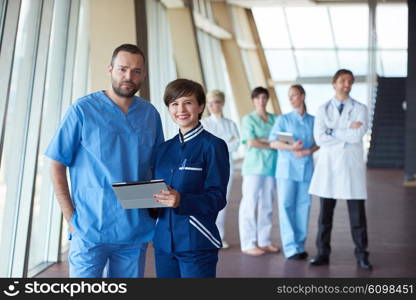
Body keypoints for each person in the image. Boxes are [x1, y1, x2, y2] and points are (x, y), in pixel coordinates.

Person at [45, 44, 164, 277]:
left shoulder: (150, 114)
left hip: (134, 229)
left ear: (144, 75)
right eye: (122, 69)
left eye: (136, 71)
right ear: (110, 69)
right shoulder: (82, 110)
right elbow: (56, 164)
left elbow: (155, 166)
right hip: (89, 228)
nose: (128, 76)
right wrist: (71, 219)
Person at [151, 79, 229, 278]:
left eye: (188, 102)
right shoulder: (163, 149)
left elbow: (217, 197)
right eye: (174, 104)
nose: (181, 109)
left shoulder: (213, 146)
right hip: (163, 243)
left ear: (200, 106)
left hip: (197, 242)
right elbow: (156, 192)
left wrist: (181, 200)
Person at [309, 69, 373, 270]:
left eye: (350, 82)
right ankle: (322, 253)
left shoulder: (360, 109)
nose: (347, 84)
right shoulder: (322, 109)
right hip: (328, 167)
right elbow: (320, 138)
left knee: (357, 218)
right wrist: (344, 132)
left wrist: (332, 131)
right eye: (343, 81)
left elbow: (357, 136)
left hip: (351, 167)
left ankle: (362, 256)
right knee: (324, 218)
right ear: (334, 83)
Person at [269, 85, 318, 260]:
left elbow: (319, 141)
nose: (290, 99)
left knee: (304, 206)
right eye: (289, 96)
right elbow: (273, 142)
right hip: (287, 169)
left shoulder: (313, 120)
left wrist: (308, 151)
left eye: (294, 95)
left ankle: (300, 245)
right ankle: (291, 248)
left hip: (305, 168)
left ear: (302, 96)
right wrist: (291, 147)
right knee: (286, 206)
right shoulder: (283, 119)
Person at [239, 86, 280, 256]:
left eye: (264, 98)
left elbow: (281, 138)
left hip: (271, 167)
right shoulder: (248, 119)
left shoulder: (275, 119)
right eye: (257, 98)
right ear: (253, 100)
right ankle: (248, 243)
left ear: (267, 100)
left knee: (267, 204)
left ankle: (264, 241)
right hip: (253, 167)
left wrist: (262, 140)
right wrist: (270, 142)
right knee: (249, 203)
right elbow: (251, 142)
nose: (261, 101)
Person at [201, 89, 240, 249]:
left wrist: (219, 144)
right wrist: (225, 143)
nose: (212, 106)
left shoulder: (231, 124)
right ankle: (205, 236)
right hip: (207, 170)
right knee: (206, 202)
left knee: (222, 202)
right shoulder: (204, 124)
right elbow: (206, 146)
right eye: (209, 103)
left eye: (215, 102)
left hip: (226, 168)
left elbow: (236, 144)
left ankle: (218, 236)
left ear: (222, 103)